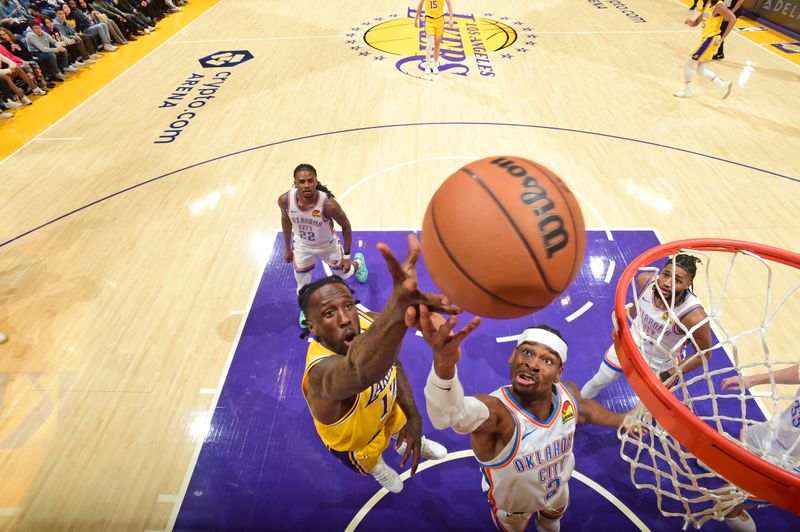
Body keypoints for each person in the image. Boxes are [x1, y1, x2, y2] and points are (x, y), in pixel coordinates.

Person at [421, 311, 636, 532]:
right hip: (514, 508)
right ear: (512, 357)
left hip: (558, 490)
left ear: (558, 373)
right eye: (526, 352)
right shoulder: (497, 414)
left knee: (552, 524)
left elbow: (586, 412)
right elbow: (447, 415)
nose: (532, 364)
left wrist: (622, 419)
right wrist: (444, 364)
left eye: (547, 360)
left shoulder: (567, 394)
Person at [300, 235, 453, 493]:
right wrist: (397, 307)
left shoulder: (366, 318)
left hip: (387, 409)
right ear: (312, 326)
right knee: (371, 458)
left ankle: (408, 439)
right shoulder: (319, 375)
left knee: (400, 423)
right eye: (329, 313)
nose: (345, 318)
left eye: (348, 305)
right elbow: (359, 373)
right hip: (357, 441)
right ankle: (379, 469)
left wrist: (413, 414)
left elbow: (392, 362)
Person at [581, 254, 713, 399]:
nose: (667, 283)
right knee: (597, 381)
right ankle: (573, 412)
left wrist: (667, 374)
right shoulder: (645, 281)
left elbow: (704, 355)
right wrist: (621, 320)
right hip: (629, 346)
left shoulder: (693, 317)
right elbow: (639, 304)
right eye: (666, 275)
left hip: (661, 364)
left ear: (688, 285)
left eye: (677, 280)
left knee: (648, 406)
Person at [278, 163, 368, 327]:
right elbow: (285, 220)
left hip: (328, 245)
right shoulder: (285, 201)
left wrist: (347, 257)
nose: (306, 185)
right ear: (295, 183)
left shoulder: (328, 205)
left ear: (315, 181)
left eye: (310, 181)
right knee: (303, 286)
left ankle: (359, 262)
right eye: (302, 181)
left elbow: (346, 226)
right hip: (303, 247)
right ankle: (306, 311)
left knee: (343, 275)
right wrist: (287, 247)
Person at [716, 364, 800, 532]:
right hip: (776, 431)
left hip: (790, 463)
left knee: (725, 502)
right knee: (729, 453)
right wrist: (751, 380)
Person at [674, 0, 736, 99]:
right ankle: (723, 85)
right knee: (701, 70)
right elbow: (698, 21)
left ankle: (687, 90)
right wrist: (691, 22)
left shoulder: (719, 6)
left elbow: (733, 19)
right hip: (706, 39)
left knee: (687, 64)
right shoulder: (708, 3)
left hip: (710, 40)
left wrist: (722, 39)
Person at [414, 0, 454, 74]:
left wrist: (451, 18)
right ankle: (427, 65)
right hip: (429, 20)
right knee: (430, 44)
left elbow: (449, 3)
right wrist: (416, 18)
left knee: (437, 43)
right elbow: (420, 4)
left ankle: (435, 65)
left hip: (440, 20)